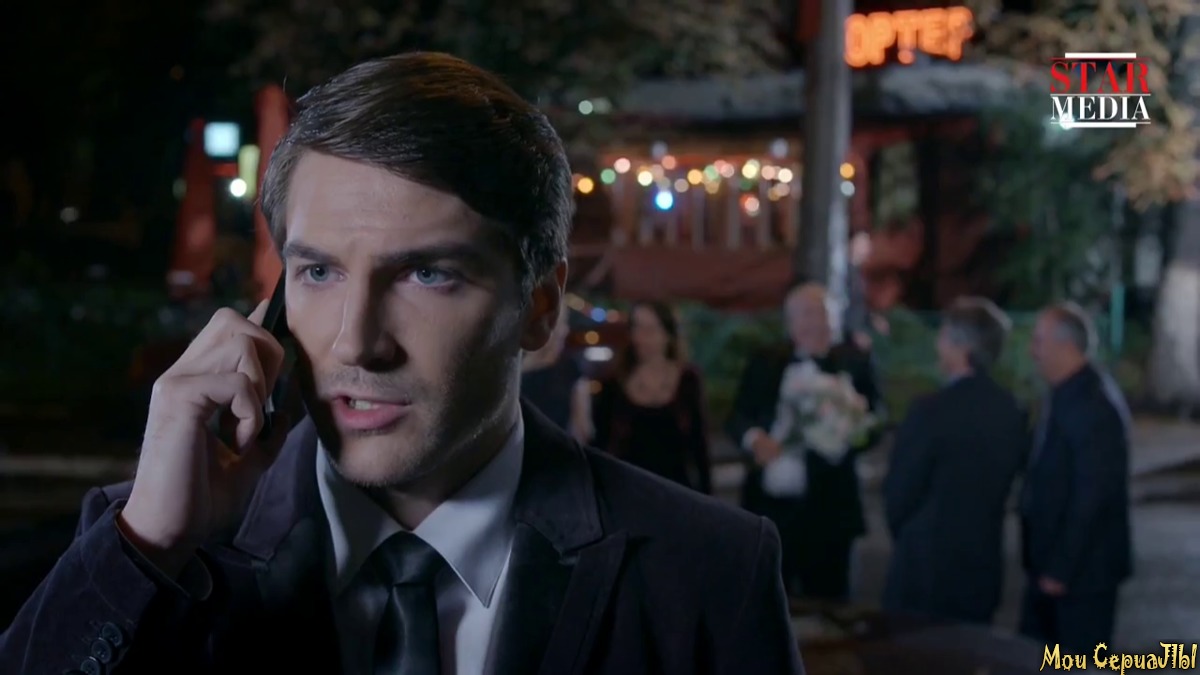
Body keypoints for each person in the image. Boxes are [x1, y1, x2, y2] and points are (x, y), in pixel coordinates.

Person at [0, 53, 804, 675]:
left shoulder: (710, 569)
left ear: (539, 307)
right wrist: (147, 546)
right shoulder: (150, 540)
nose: (357, 343)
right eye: (319, 271)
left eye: (428, 274)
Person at [727, 282, 881, 601]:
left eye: (824, 314)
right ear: (790, 321)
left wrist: (846, 433)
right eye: (807, 314)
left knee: (832, 603)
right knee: (767, 602)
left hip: (830, 509)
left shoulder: (855, 362)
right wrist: (755, 439)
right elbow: (738, 417)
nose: (816, 323)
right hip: (770, 511)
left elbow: (876, 421)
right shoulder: (766, 360)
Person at [882, 297, 1027, 624]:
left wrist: (907, 535)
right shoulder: (1011, 411)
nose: (938, 344)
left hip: (923, 567)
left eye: (944, 335)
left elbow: (900, 493)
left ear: (962, 346)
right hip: (981, 566)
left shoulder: (929, 411)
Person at [1019, 302, 1132, 653]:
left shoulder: (1093, 405)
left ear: (1065, 346)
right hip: (1053, 571)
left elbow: (1092, 495)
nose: (1032, 351)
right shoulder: (1066, 394)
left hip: (1081, 579)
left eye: (1039, 341)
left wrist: (1061, 569)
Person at [591, 301, 712, 494]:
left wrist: (707, 498)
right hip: (627, 493)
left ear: (668, 334)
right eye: (636, 328)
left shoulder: (689, 380)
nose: (640, 337)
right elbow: (600, 445)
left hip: (677, 493)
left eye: (650, 330)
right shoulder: (613, 383)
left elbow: (700, 445)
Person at [520, 303, 591, 442]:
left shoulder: (572, 372)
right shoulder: (513, 367)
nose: (564, 331)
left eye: (564, 322)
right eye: (557, 323)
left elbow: (582, 431)